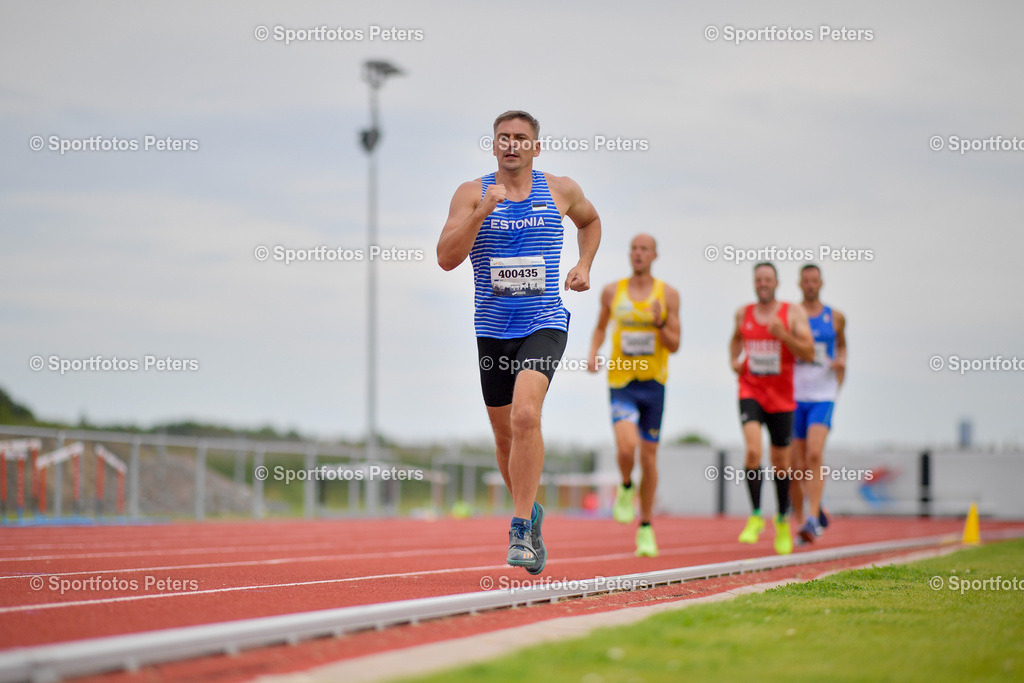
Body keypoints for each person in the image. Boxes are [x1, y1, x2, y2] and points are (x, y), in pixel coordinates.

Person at [437, 110, 601, 574]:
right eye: (503, 138)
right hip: (492, 328)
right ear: (493, 145)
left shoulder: (561, 189)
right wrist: (482, 213)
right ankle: (531, 512)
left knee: (527, 414)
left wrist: (583, 265)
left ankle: (519, 525)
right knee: (504, 434)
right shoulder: (471, 194)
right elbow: (446, 259)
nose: (512, 144)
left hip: (544, 322)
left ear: (535, 147)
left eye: (521, 138)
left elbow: (590, 222)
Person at [588, 234, 680, 557]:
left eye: (645, 249)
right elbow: (600, 327)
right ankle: (626, 487)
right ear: (630, 254)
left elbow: (675, 343)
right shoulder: (613, 291)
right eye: (634, 248)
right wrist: (593, 351)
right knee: (627, 446)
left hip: (653, 384)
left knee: (649, 457)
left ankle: (645, 526)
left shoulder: (667, 294)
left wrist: (660, 322)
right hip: (622, 381)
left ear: (655, 255)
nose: (638, 253)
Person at [729, 262, 814, 555]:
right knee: (753, 451)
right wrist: (734, 361)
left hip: (781, 398)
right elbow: (735, 340)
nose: (763, 284)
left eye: (768, 279)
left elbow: (809, 351)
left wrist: (784, 335)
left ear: (776, 282)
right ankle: (755, 516)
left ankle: (780, 521)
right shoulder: (743, 313)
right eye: (758, 280)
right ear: (755, 283)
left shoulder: (792, 313)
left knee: (781, 463)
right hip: (751, 390)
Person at [790, 264, 846, 543]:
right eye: (806, 281)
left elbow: (843, 346)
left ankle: (811, 521)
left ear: (821, 283)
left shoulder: (835, 317)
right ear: (800, 284)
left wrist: (840, 371)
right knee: (796, 465)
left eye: (814, 280)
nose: (810, 285)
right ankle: (812, 511)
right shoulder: (792, 314)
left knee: (814, 454)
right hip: (794, 395)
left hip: (823, 396)